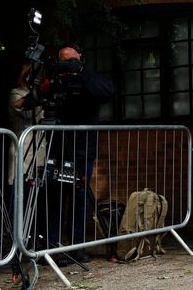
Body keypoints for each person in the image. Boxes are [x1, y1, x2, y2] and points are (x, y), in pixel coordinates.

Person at [45, 43, 114, 263]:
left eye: (71, 60)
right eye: (63, 60)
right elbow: (37, 97)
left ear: (80, 58)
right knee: (55, 197)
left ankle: (77, 246)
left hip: (83, 149)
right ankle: (52, 247)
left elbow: (106, 91)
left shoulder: (89, 78)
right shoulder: (56, 81)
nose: (68, 64)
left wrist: (81, 72)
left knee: (79, 197)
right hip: (58, 148)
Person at [8, 60, 46, 186]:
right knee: (19, 194)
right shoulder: (16, 94)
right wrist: (38, 96)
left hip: (38, 150)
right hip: (23, 150)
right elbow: (28, 114)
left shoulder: (42, 95)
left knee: (35, 192)